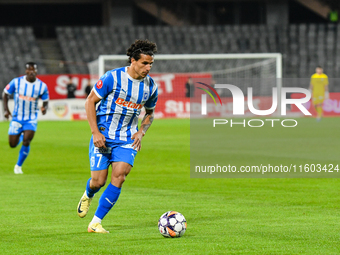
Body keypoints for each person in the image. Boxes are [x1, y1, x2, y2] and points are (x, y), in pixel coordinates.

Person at [77, 39, 158, 233]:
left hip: (128, 139)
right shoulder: (112, 78)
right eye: (144, 63)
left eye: (150, 64)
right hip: (103, 136)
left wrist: (142, 131)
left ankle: (95, 222)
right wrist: (95, 132)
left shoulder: (151, 87)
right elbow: (90, 102)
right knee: (98, 182)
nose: (148, 68)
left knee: (120, 176)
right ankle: (88, 194)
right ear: (133, 60)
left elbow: (149, 113)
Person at [2, 62, 49, 174]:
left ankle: (18, 166)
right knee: (12, 144)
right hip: (17, 117)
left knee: (27, 141)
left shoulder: (42, 86)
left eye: (33, 69)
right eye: (29, 69)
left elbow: (46, 101)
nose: (31, 71)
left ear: (36, 71)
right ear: (26, 71)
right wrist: (6, 110)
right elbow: (5, 94)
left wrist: (44, 108)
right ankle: (21, 136)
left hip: (31, 118)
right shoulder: (17, 82)